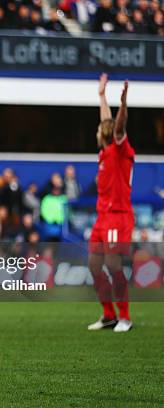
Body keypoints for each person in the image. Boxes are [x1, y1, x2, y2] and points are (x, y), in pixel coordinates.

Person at [87, 73, 134, 333]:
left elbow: (117, 126)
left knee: (113, 265)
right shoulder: (105, 153)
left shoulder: (119, 150)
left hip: (118, 215)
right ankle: (108, 315)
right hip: (102, 217)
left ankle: (125, 317)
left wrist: (123, 105)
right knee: (94, 265)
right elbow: (107, 122)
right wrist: (102, 96)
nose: (99, 128)